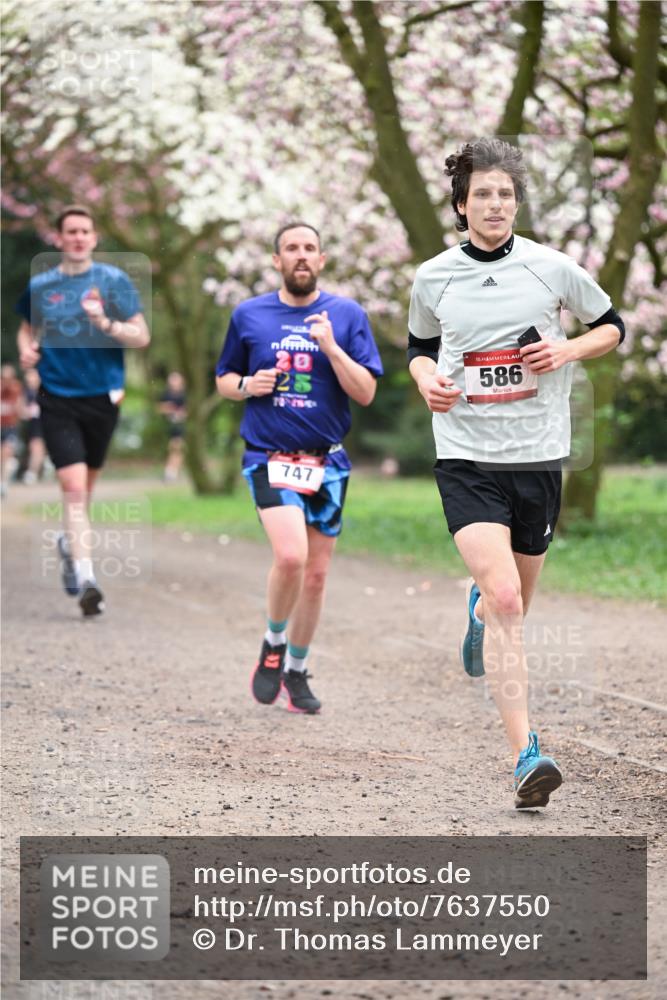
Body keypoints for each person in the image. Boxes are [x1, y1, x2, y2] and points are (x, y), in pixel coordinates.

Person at [408, 139, 625, 808]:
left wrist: (565, 350)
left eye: (505, 194)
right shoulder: (434, 277)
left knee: (512, 604)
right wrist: (426, 381)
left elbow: (612, 326)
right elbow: (418, 346)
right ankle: (525, 755)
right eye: (483, 195)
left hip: (536, 457)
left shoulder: (551, 268)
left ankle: (477, 610)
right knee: (507, 599)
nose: (495, 204)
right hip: (466, 457)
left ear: (516, 203)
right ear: (461, 205)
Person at [216, 222, 382, 714]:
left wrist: (331, 348)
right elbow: (224, 378)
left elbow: (366, 392)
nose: (301, 255)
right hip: (268, 456)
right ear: (277, 261)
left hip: (327, 461)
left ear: (322, 259)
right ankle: (273, 642)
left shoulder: (347, 315)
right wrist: (248, 385)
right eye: (292, 248)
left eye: (310, 248)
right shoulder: (249, 314)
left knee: (316, 576)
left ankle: (297, 669)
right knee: (291, 557)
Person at [16, 204, 150, 616]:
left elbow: (141, 336)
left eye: (84, 231)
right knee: (73, 488)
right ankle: (88, 578)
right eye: (70, 231)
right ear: (58, 238)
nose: (77, 237)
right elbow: (26, 329)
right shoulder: (42, 286)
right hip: (57, 396)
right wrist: (27, 352)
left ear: (94, 238)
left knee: (84, 490)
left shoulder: (113, 281)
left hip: (101, 398)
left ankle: (68, 544)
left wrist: (107, 324)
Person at [158, 371, 187, 482]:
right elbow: (160, 408)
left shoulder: (184, 395)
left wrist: (181, 414)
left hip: (180, 425)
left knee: (177, 448)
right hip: (169, 425)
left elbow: (187, 410)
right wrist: (169, 409)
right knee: (174, 448)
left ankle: (171, 473)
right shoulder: (166, 394)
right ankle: (171, 472)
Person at [21, 368, 46, 485]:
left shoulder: (45, 391)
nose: (30, 380)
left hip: (46, 423)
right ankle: (34, 472)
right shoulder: (26, 393)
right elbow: (22, 411)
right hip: (34, 425)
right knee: (35, 447)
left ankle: (34, 472)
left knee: (37, 448)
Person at [1, 364, 22, 496]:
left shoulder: (16, 388)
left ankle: (3, 483)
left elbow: (20, 408)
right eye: (3, 377)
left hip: (10, 427)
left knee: (6, 452)